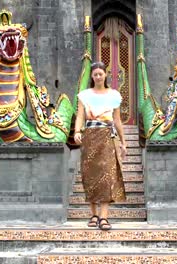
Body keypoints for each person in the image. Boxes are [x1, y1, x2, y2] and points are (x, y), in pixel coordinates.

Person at [74, 61, 127, 231]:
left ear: (105, 75)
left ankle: (104, 217)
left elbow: (117, 121)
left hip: (106, 138)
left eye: (100, 74)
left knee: (107, 176)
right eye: (95, 74)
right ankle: (93, 214)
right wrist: (76, 131)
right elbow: (80, 116)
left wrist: (123, 142)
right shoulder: (84, 95)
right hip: (89, 137)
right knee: (90, 176)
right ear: (92, 76)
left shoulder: (114, 95)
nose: (98, 76)